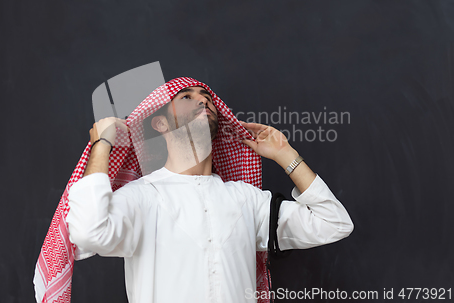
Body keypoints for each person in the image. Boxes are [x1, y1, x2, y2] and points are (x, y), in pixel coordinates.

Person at [63, 78, 354, 303]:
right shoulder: (141, 197)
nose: (202, 101)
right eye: (186, 97)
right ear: (161, 123)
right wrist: (103, 144)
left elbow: (333, 223)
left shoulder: (246, 199)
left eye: (208, 99)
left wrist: (284, 154)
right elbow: (89, 230)